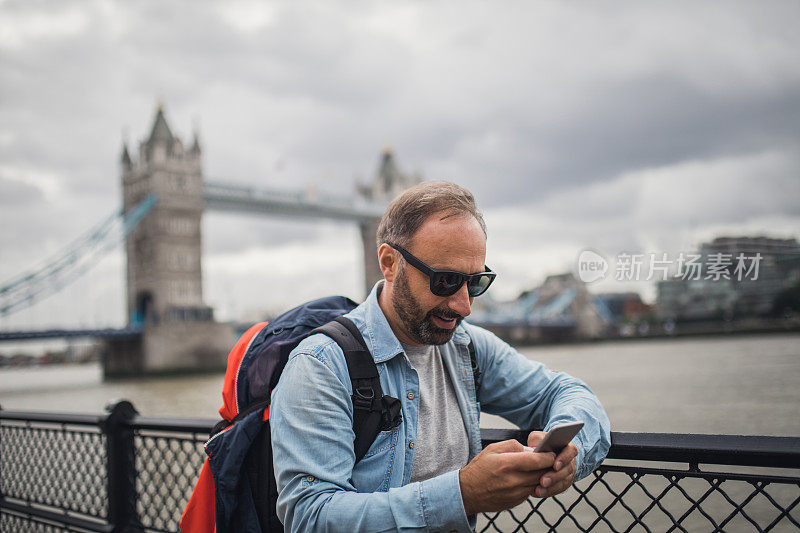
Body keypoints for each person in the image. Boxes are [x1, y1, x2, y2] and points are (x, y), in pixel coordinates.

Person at [271, 181, 611, 532]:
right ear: (389, 263)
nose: (464, 305)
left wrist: (570, 454)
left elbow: (569, 392)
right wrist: (462, 494)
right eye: (445, 281)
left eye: (476, 283)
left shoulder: (467, 348)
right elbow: (309, 517)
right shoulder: (320, 366)